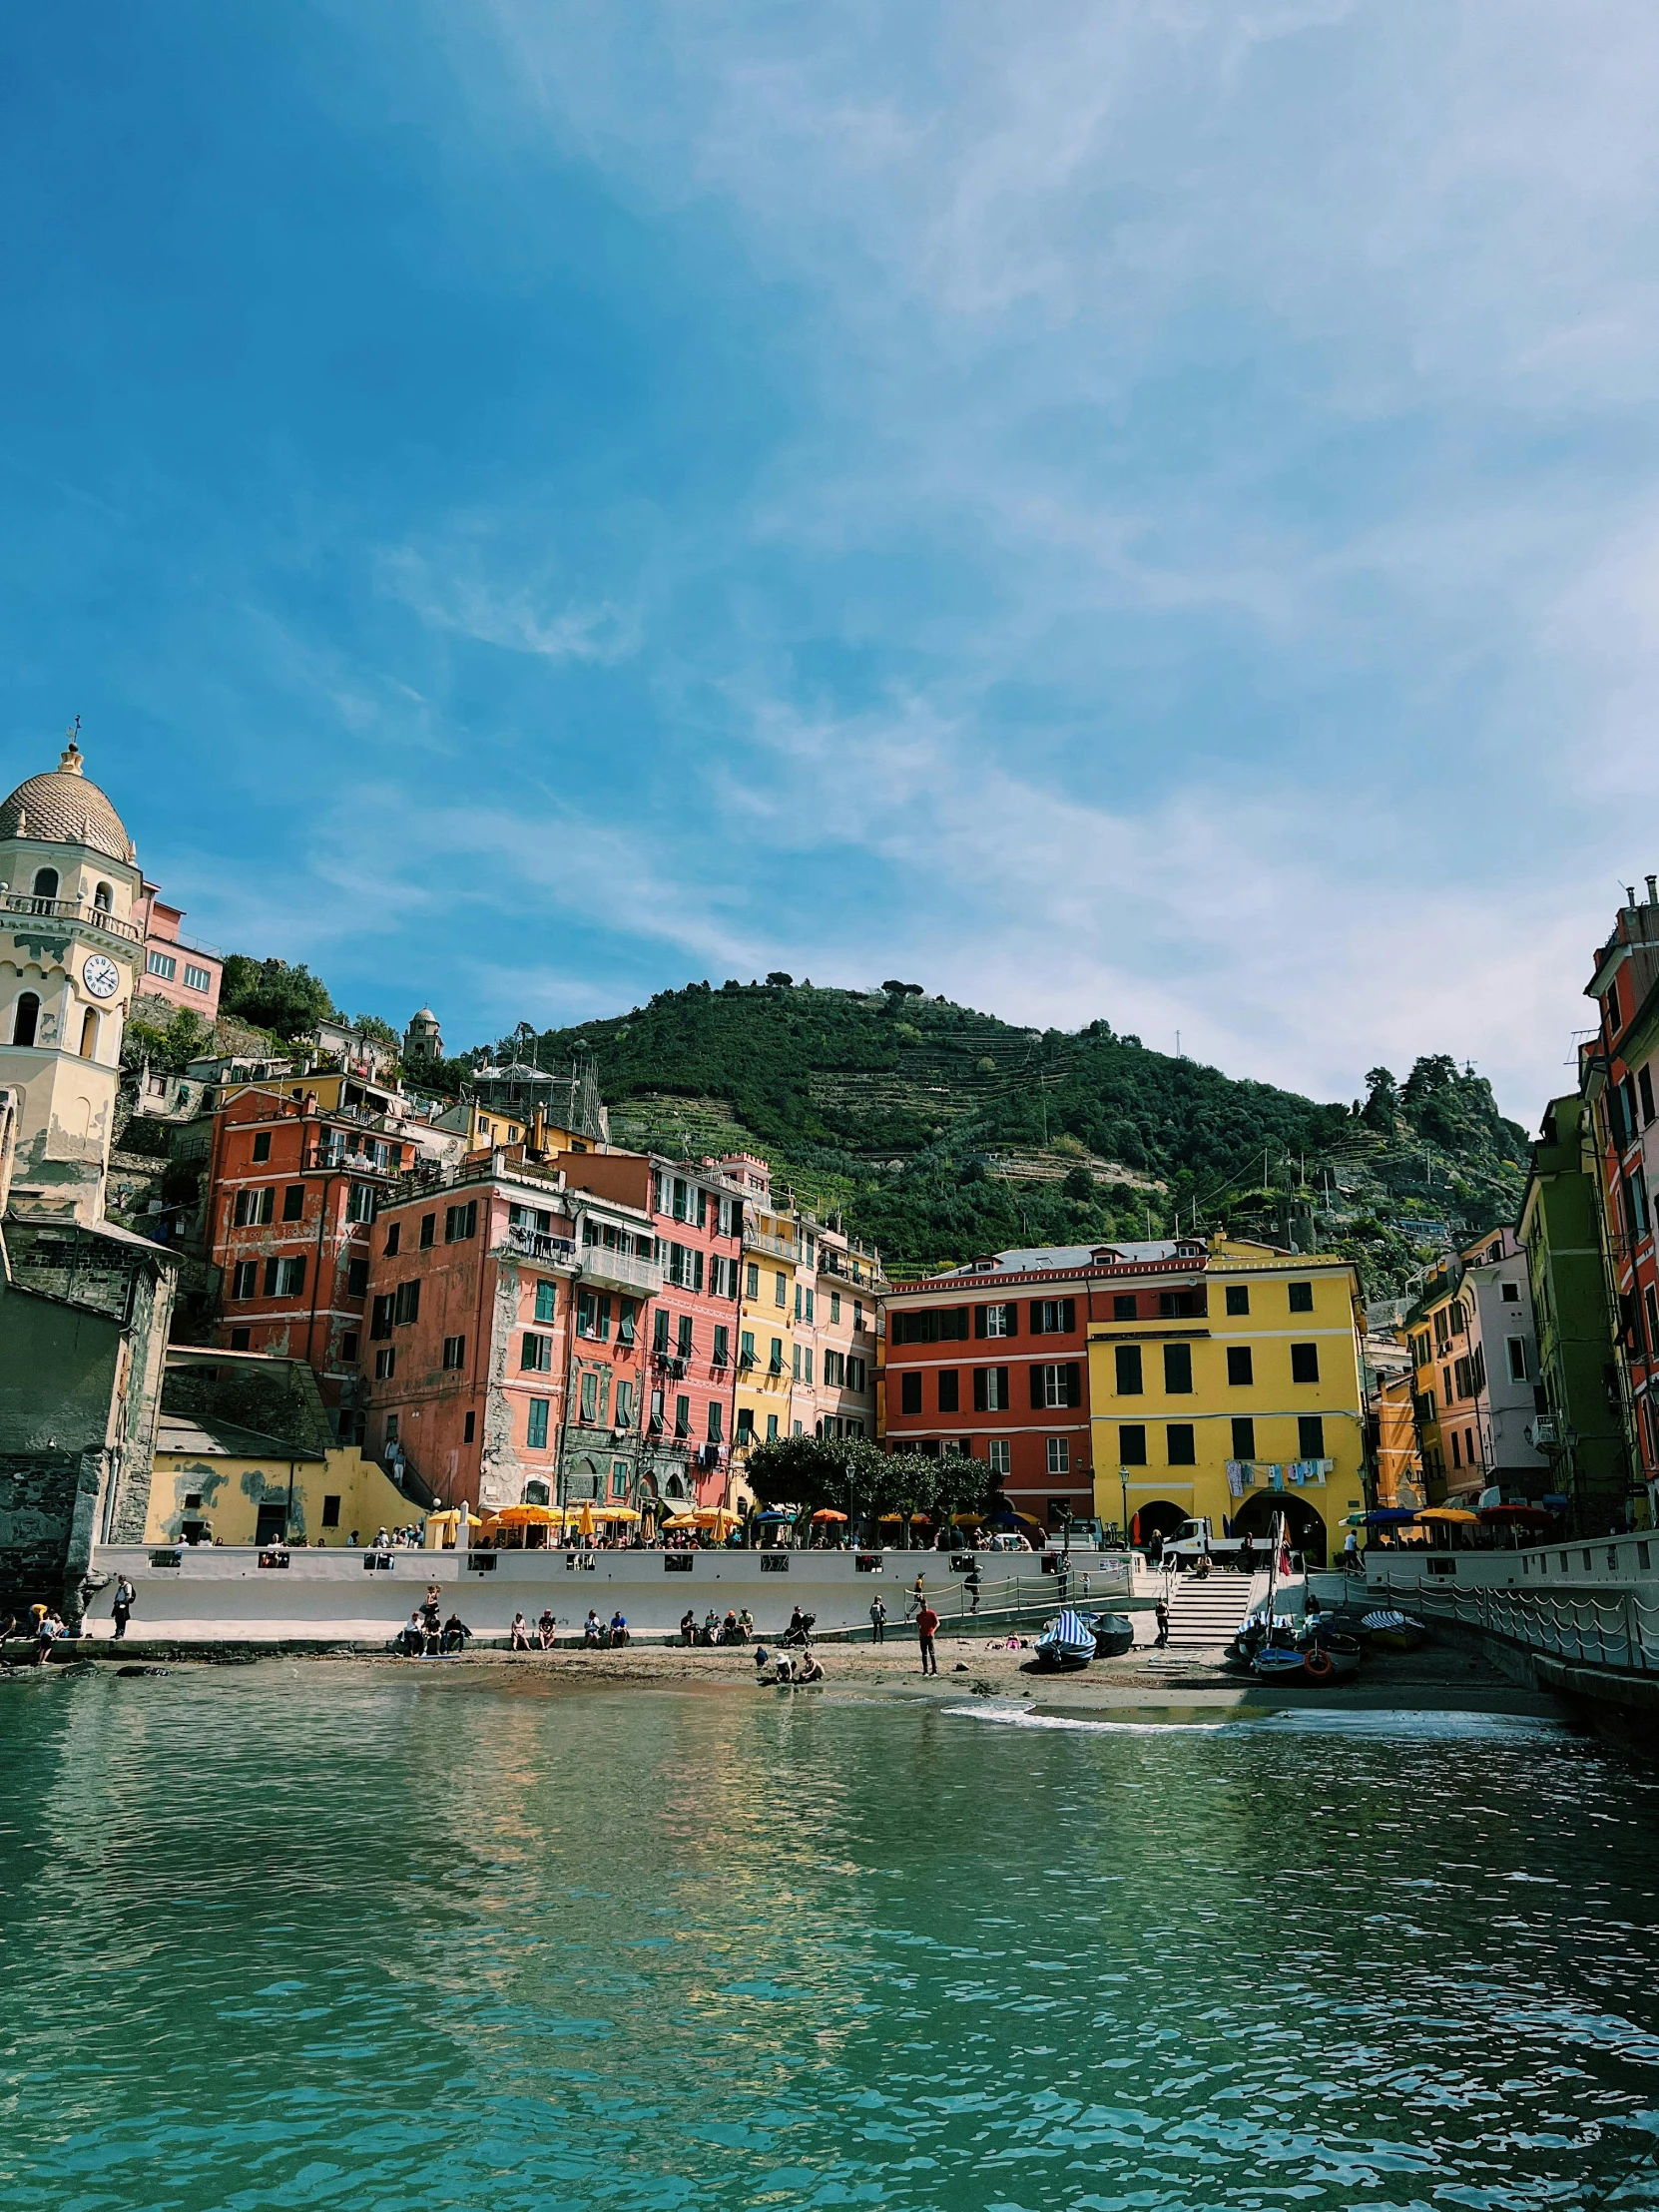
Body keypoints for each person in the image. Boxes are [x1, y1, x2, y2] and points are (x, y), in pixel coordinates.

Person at [916, 1598, 939, 1676]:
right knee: (924, 1654)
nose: (924, 1607)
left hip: (930, 1635)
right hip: (922, 1636)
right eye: (923, 1605)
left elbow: (938, 1623)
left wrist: (933, 1631)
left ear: (927, 1604)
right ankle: (925, 1671)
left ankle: (934, 1671)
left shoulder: (932, 1613)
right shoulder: (919, 1615)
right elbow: (918, 1624)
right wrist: (919, 1631)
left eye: (925, 1605)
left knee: (932, 1653)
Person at [112, 1575, 136, 1641]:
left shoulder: (127, 1585)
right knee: (117, 1619)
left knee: (122, 1619)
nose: (118, 1581)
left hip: (123, 1604)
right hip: (118, 1603)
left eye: (119, 1580)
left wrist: (123, 1603)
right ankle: (117, 1632)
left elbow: (128, 1596)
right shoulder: (120, 1586)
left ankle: (121, 1633)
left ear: (122, 1580)